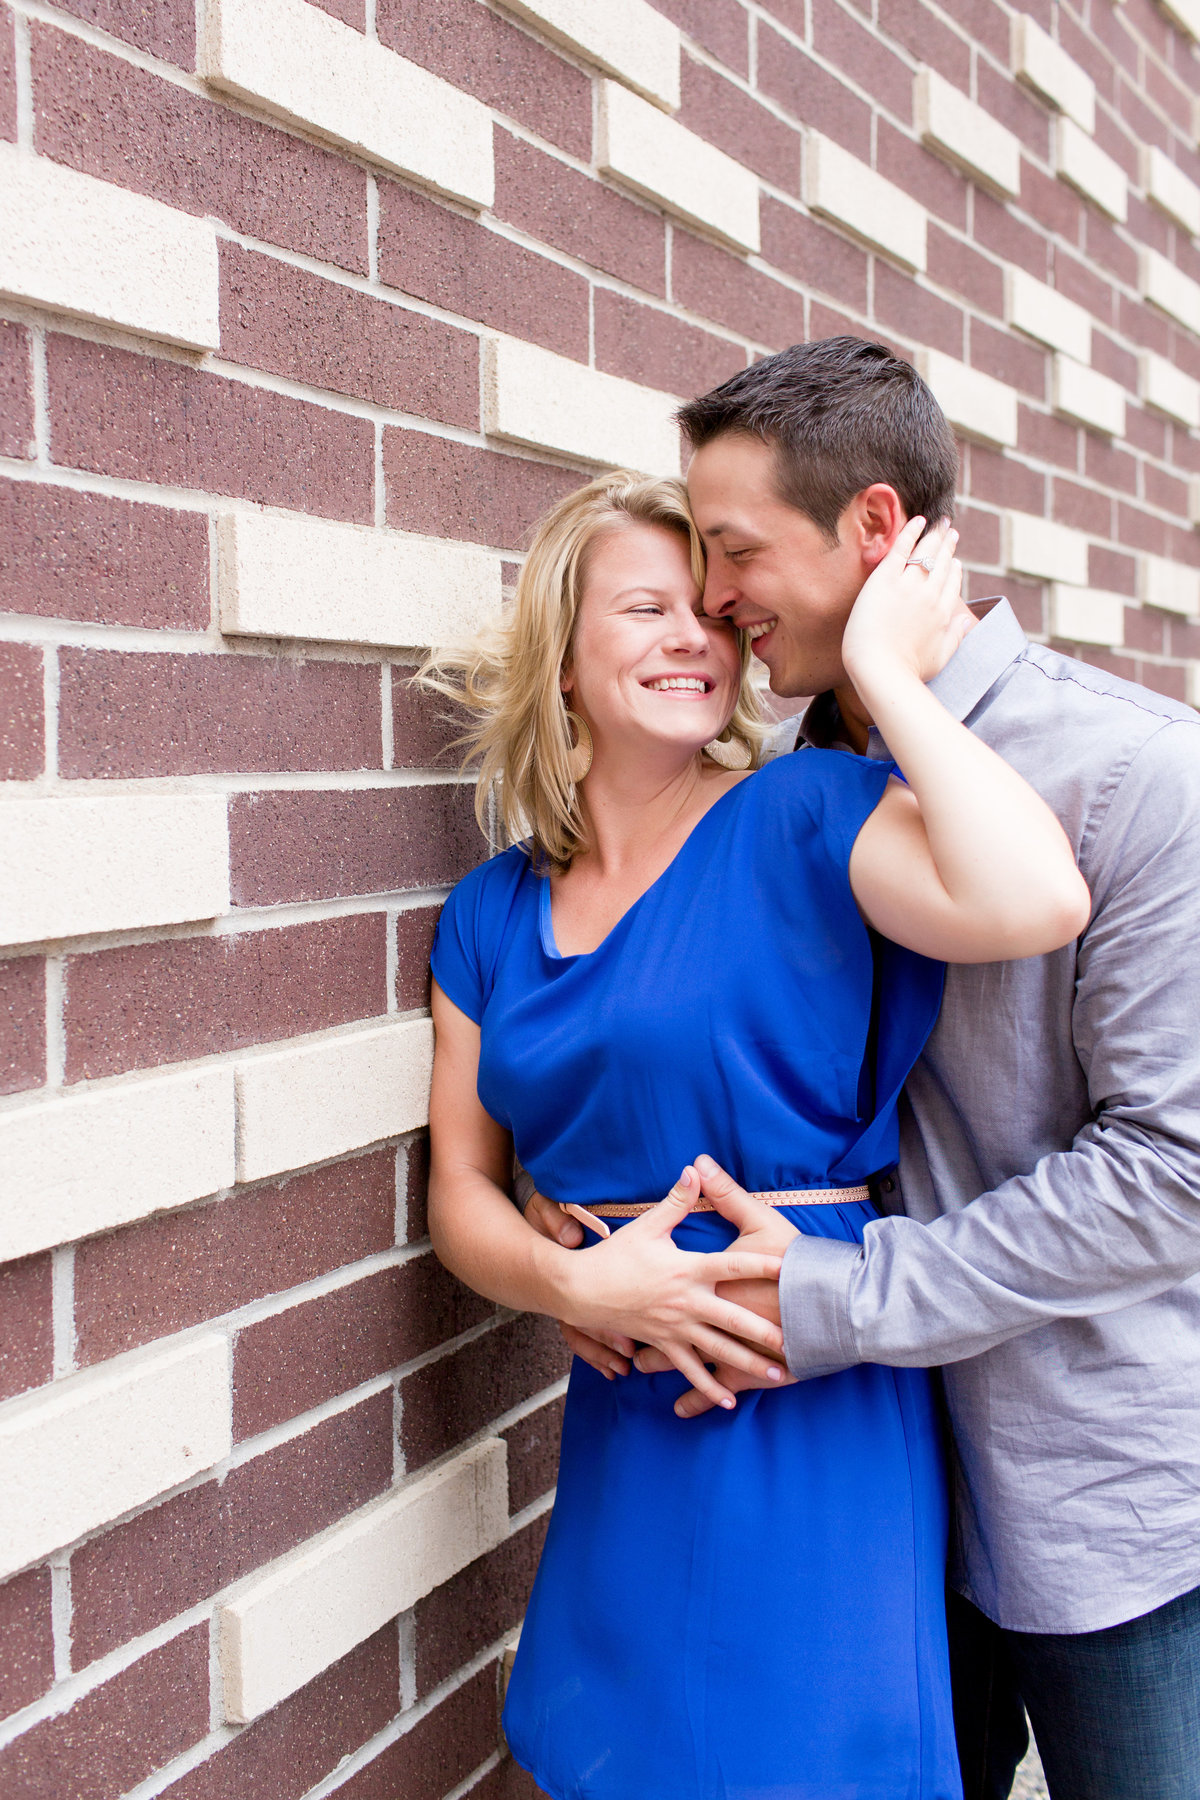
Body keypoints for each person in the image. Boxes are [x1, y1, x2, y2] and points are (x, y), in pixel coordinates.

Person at [529, 338, 1200, 1800]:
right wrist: (579, 1241)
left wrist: (842, 1297)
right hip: (856, 1490)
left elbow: (1176, 1178)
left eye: (735, 551)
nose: (711, 599)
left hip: (1096, 1511)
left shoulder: (1141, 779)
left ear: (877, 534)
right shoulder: (786, 794)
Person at [423, 465, 1088, 1800]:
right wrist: (567, 1277)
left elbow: (1035, 897)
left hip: (806, 1388)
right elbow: (461, 1191)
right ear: (561, 657)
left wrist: (886, 681)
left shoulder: (799, 814)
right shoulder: (491, 913)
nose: (695, 635)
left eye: (712, 614)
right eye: (645, 608)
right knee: (606, 1755)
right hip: (627, 1415)